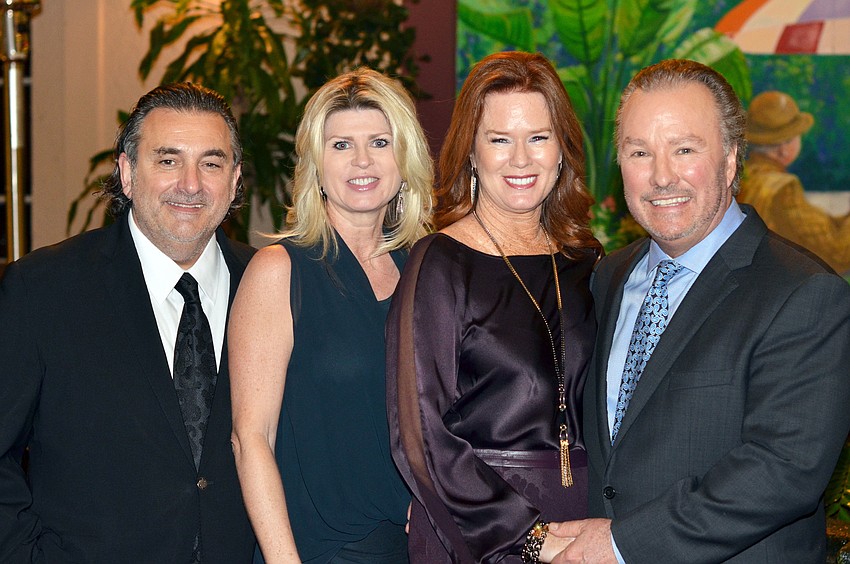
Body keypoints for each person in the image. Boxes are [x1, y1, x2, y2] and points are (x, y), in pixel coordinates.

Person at [550, 59, 850, 563]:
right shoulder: (607, 278)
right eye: (640, 152)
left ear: (730, 160)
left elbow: (783, 471)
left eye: (685, 149)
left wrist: (622, 545)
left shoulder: (805, 293)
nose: (661, 176)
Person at [0, 82, 256, 562]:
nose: (191, 184)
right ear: (127, 173)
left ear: (235, 179)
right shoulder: (42, 290)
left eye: (211, 163)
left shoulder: (271, 285)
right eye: (168, 160)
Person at [386, 51, 603, 563]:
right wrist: (529, 536)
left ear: (562, 149)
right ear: (470, 152)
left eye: (538, 137)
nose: (521, 159)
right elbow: (419, 434)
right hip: (480, 529)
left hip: (585, 523)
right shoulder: (440, 263)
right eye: (500, 139)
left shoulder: (586, 263)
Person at [229, 67, 433, 563]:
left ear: (405, 159)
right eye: (341, 145)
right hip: (319, 550)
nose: (362, 160)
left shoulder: (424, 268)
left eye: (380, 142)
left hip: (417, 547)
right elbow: (251, 438)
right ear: (316, 166)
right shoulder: (279, 271)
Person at [737, 90, 850, 274]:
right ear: (783, 147)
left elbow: (817, 228)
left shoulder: (742, 177)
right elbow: (836, 253)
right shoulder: (783, 188)